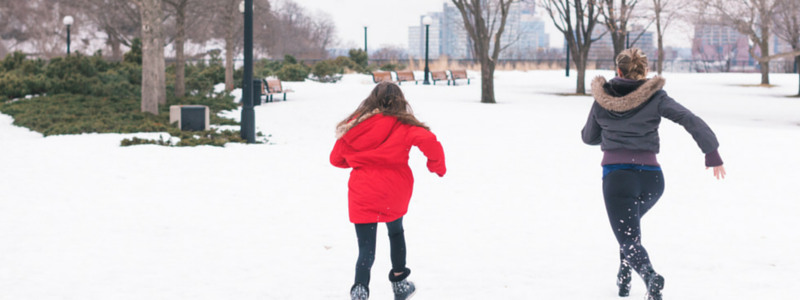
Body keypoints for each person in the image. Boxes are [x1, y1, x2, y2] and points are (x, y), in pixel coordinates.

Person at [581, 48, 726, 300]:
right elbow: (688, 118)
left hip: (618, 179)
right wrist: (711, 151)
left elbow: (588, 137)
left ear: (618, 70)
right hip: (652, 180)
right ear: (644, 71)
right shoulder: (656, 97)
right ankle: (624, 278)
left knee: (628, 237)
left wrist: (611, 130)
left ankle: (651, 278)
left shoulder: (601, 98)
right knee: (628, 233)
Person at [330, 82, 446, 300]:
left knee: (366, 246)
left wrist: (360, 162)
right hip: (395, 189)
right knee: (396, 232)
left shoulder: (354, 127)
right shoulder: (404, 125)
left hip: (363, 189)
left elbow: (336, 160)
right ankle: (400, 284)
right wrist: (436, 166)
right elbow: (429, 140)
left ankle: (360, 289)